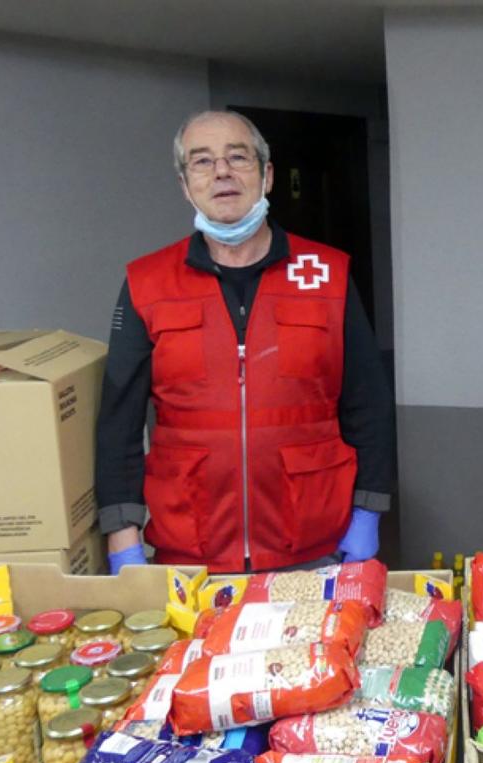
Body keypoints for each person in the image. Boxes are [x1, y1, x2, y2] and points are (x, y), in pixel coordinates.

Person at [95, 110, 394, 573]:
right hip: (189, 550)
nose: (222, 172)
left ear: (267, 175)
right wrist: (122, 535)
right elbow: (119, 423)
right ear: (184, 184)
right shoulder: (147, 283)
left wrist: (368, 512)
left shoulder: (327, 275)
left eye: (238, 157)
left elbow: (368, 405)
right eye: (202, 161)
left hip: (317, 544)